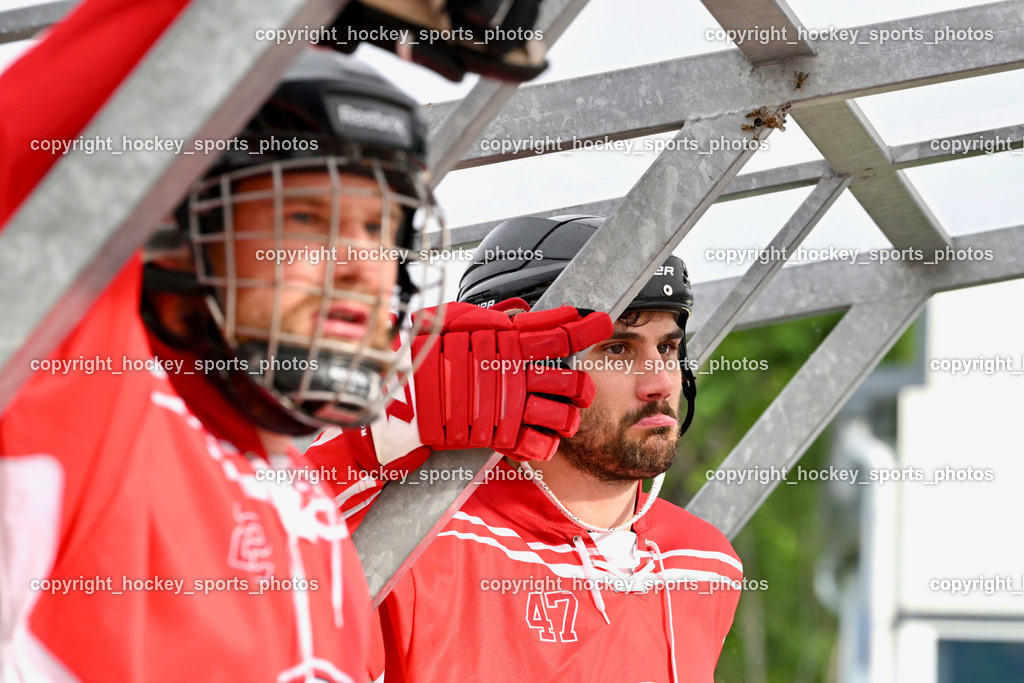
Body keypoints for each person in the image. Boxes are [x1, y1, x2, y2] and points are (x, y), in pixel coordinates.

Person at [0, 2, 607, 679]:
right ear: (177, 241)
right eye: (306, 216)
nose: (360, 265)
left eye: (381, 230)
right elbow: (30, 180)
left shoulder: (309, 519)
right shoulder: (99, 418)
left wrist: (380, 433)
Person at [307, 215, 744, 683]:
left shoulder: (706, 560)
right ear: (519, 362)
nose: (660, 382)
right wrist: (373, 418)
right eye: (618, 349)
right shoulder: (412, 533)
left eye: (668, 348)